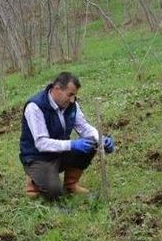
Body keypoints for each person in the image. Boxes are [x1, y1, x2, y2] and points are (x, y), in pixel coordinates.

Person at [20, 72, 114, 200]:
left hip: (60, 152)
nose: (72, 100)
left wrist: (100, 138)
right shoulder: (35, 107)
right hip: (38, 157)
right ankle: (34, 181)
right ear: (57, 89)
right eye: (70, 95)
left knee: (91, 143)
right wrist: (72, 144)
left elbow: (84, 127)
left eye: (74, 95)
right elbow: (41, 143)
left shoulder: (71, 105)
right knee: (54, 191)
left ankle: (71, 185)